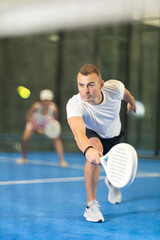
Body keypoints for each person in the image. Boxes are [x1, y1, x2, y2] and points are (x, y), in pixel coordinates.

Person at [66, 64, 136, 222]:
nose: (86, 91)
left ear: (101, 84)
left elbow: (126, 94)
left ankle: (112, 183)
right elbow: (78, 132)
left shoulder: (114, 88)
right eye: (81, 85)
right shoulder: (74, 104)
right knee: (95, 150)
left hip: (113, 134)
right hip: (92, 132)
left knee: (113, 170)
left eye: (91, 84)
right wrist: (88, 150)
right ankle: (91, 206)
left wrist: (131, 102)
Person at [17, 89, 68, 167]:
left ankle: (62, 161)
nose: (46, 101)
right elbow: (28, 117)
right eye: (44, 99)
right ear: (41, 99)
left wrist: (48, 130)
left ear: (51, 100)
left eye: (48, 99)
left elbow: (55, 121)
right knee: (25, 138)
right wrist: (37, 129)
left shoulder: (54, 108)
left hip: (47, 124)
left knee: (57, 139)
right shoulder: (36, 106)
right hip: (34, 122)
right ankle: (24, 158)